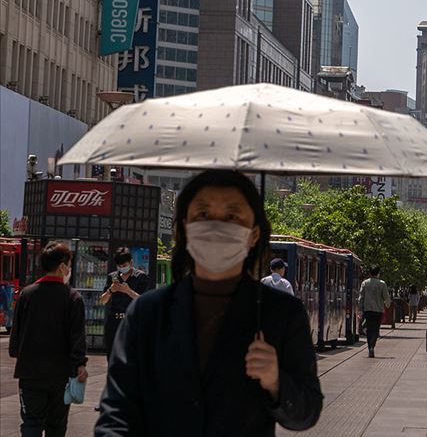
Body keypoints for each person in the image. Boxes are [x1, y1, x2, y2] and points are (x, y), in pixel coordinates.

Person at [95, 170, 323, 435]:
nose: (216, 226)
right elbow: (115, 413)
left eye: (232, 216)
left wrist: (275, 381)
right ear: (183, 230)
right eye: (202, 214)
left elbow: (306, 413)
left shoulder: (283, 313)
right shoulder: (148, 313)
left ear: (254, 233)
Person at [9, 241, 88, 437]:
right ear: (62, 266)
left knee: (31, 423)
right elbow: (77, 335)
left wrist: (17, 352)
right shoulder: (72, 298)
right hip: (60, 374)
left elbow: (16, 335)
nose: (69, 269)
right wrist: (79, 364)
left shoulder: (27, 294)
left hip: (30, 373)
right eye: (68, 264)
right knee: (57, 425)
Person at [98, 248, 150, 362]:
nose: (122, 267)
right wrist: (111, 290)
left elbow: (144, 301)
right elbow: (102, 300)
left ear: (131, 263)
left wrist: (129, 291)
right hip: (114, 321)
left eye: (124, 265)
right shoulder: (112, 277)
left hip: (132, 321)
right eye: (119, 265)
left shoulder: (141, 277)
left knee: (131, 357)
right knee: (112, 356)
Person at [358, 265, 391, 358]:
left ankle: (369, 347)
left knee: (369, 328)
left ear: (370, 273)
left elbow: (361, 297)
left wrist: (360, 309)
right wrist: (388, 305)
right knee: (376, 329)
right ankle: (372, 346)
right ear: (378, 273)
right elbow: (386, 297)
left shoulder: (365, 283)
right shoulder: (382, 284)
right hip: (378, 310)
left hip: (367, 310)